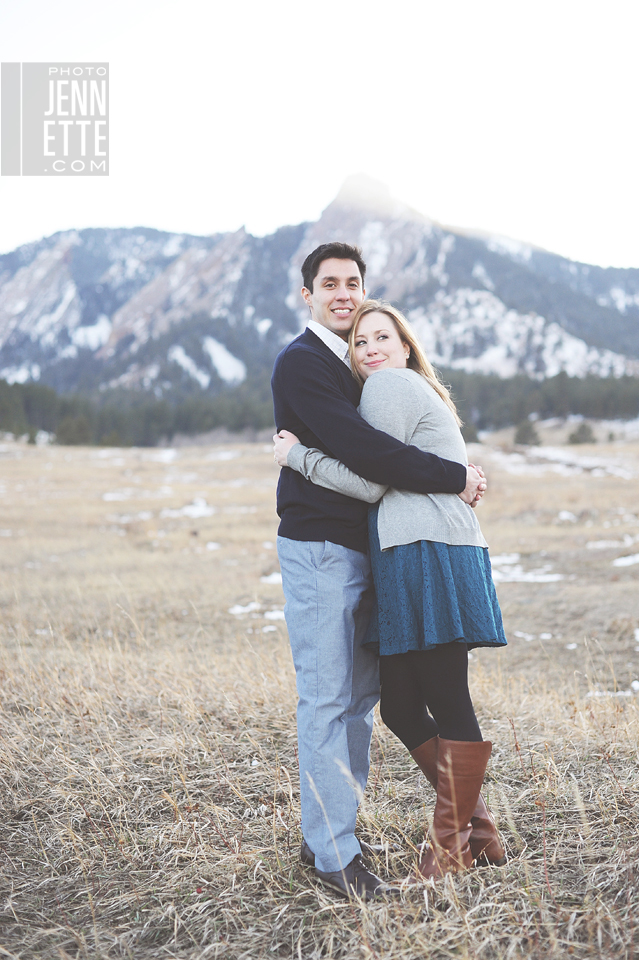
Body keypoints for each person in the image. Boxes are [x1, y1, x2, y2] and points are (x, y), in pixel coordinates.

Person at [271, 244, 487, 900]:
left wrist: (448, 474)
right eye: (329, 283)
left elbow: (386, 457)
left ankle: (411, 831)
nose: (342, 293)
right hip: (321, 551)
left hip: (371, 554)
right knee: (330, 699)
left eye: (353, 283)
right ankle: (332, 854)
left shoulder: (353, 369)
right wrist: (455, 477)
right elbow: (371, 461)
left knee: (365, 702)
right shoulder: (304, 364)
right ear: (305, 293)